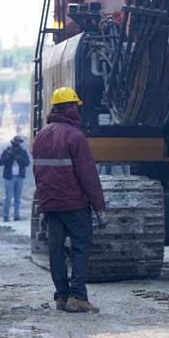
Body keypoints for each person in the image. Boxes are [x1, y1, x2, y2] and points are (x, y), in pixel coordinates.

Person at [33, 87, 106, 313]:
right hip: (74, 204)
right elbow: (88, 175)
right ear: (71, 107)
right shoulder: (76, 136)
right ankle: (78, 296)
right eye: (77, 106)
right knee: (81, 248)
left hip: (51, 205)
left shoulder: (41, 135)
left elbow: (39, 173)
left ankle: (61, 297)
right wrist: (99, 207)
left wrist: (45, 200)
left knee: (55, 250)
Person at [0, 135, 30, 222]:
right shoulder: (7, 151)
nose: (18, 143)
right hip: (9, 177)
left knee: (18, 198)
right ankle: (5, 216)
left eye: (19, 142)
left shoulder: (23, 152)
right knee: (8, 197)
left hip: (20, 177)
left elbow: (27, 163)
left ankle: (16, 215)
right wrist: (8, 156)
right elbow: (1, 163)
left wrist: (19, 158)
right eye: (17, 142)